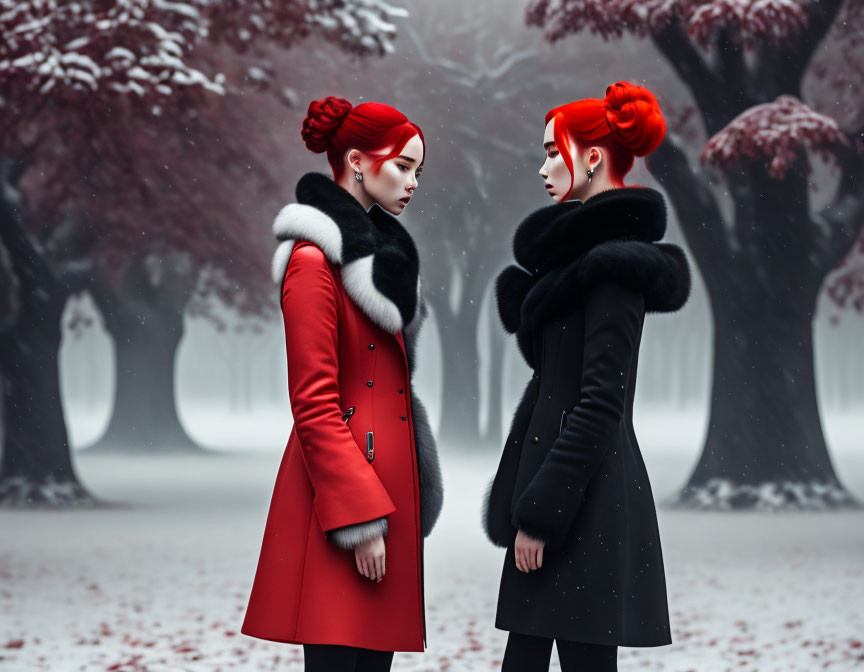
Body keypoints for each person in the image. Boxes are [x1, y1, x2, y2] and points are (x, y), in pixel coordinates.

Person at [483, 81, 692, 671]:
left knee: (581, 661)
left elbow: (602, 401)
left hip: (583, 499)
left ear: (593, 157)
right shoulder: (580, 269)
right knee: (526, 657)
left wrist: (541, 514)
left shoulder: (613, 271)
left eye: (554, 151)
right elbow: (556, 382)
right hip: (558, 489)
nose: (545, 166)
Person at [241, 96, 443, 672]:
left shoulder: (386, 266)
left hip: (384, 496)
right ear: (356, 160)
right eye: (402, 166)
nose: (412, 183)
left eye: (418, 172)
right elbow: (314, 404)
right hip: (342, 502)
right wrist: (358, 519)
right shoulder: (312, 263)